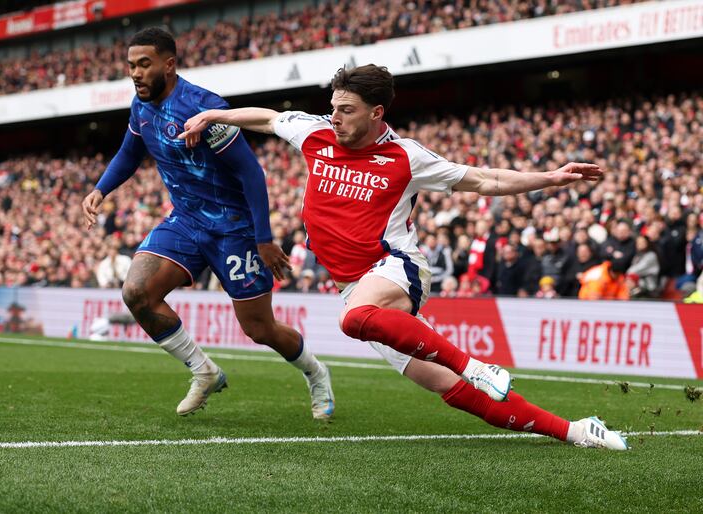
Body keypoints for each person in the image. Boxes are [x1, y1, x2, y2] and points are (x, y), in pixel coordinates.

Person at [180, 64, 626, 449]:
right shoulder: (315, 131)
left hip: (395, 268)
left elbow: (486, 180)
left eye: (346, 110)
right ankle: (575, 431)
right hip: (354, 287)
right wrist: (214, 114)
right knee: (449, 388)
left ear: (377, 113)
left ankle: (475, 365)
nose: (334, 118)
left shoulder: (405, 156)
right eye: (333, 107)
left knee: (353, 320)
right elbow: (269, 118)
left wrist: (549, 177)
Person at [81, 28, 334, 419]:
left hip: (235, 230)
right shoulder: (140, 107)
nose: (135, 73)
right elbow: (130, 153)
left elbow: (252, 174)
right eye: (131, 65)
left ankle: (316, 373)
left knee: (259, 329)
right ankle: (204, 371)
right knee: (136, 292)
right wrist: (101, 189)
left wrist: (263, 240)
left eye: (144, 64)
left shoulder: (205, 109)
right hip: (185, 222)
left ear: (169, 63)